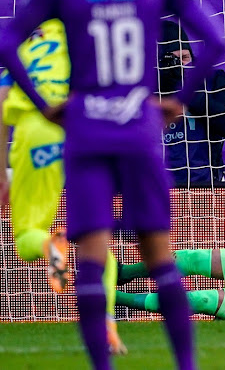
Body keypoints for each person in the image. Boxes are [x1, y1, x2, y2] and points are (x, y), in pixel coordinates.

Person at [0, 0, 224, 369]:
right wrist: (176, 100)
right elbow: (216, 42)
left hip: (84, 128)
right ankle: (186, 365)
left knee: (91, 254)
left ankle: (103, 366)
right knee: (160, 254)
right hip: (137, 125)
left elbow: (6, 42)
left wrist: (42, 103)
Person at [0, 19, 126, 354]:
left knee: (28, 234)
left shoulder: (25, 50)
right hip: (81, 131)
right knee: (96, 242)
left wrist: (1, 172)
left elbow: (0, 104)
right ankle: (106, 325)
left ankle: (48, 244)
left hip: (36, 130)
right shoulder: (91, 42)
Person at [159, 20, 225, 184]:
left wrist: (186, 90)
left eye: (184, 57)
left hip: (204, 184)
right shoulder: (145, 87)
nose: (179, 65)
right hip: (156, 185)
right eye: (172, 60)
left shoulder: (211, 79)